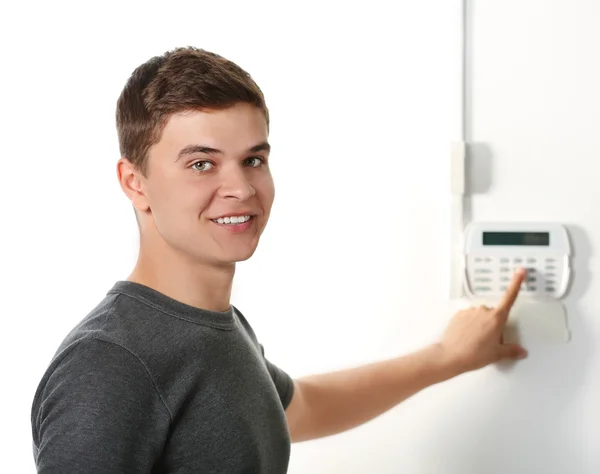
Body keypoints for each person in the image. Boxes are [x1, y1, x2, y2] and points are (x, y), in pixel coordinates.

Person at [30, 46, 528, 473]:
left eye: (253, 160)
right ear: (134, 182)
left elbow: (300, 407)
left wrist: (447, 357)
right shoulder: (110, 364)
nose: (241, 188)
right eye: (201, 163)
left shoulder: (217, 327)